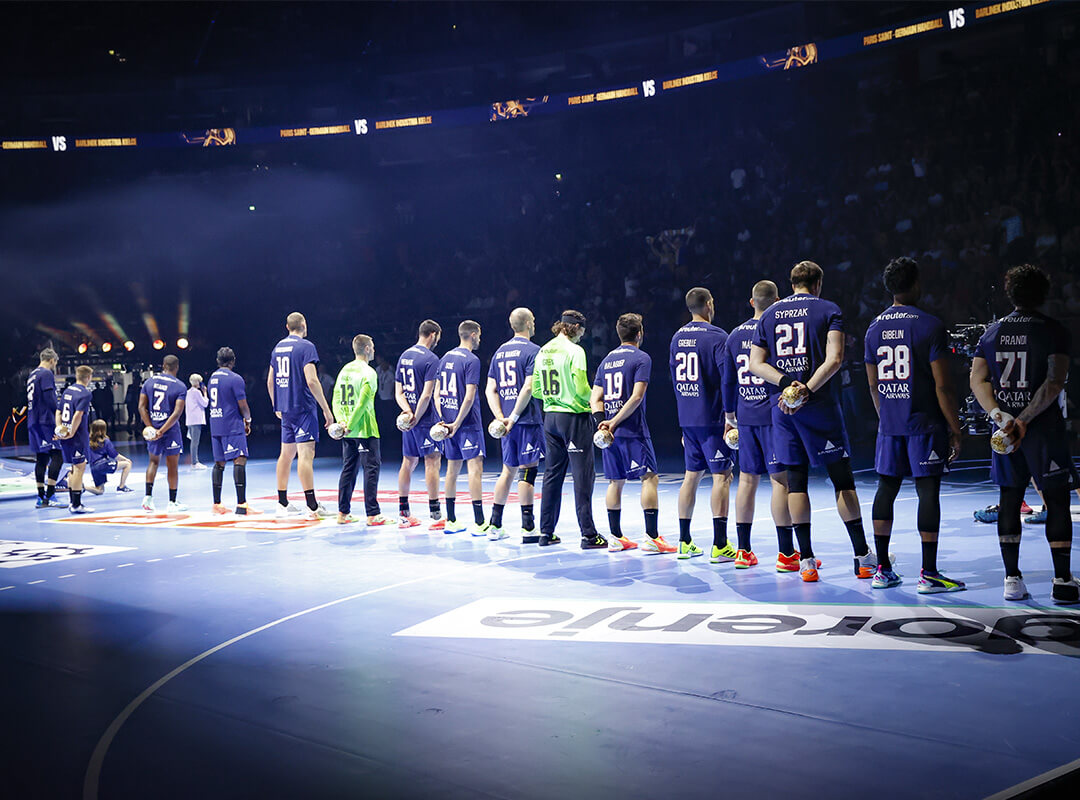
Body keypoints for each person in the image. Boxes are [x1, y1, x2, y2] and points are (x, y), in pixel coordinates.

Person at [749, 260, 876, 583]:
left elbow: (755, 364)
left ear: (791, 284)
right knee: (842, 480)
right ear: (817, 284)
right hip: (819, 405)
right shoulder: (828, 309)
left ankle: (805, 561)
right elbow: (835, 359)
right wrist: (806, 388)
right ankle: (862, 557)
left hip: (784, 408)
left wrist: (786, 385)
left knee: (796, 482)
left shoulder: (769, 315)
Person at [969, 263, 1078, 604]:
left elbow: (977, 379)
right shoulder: (1054, 330)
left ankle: (1012, 580)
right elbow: (1055, 381)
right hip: (1043, 429)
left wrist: (1000, 416)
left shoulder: (991, 333)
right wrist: (1025, 419)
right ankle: (1062, 581)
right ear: (1043, 293)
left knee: (1010, 499)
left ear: (1010, 293)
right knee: (1056, 501)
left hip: (1006, 432)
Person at [865, 257, 966, 593]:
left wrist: (886, 418)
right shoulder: (930, 325)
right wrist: (955, 428)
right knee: (928, 492)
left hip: (890, 425)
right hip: (924, 424)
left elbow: (873, 384)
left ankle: (882, 570)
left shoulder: (873, 328)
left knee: (886, 488)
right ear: (916, 283)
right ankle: (930, 574)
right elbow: (943, 386)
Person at [722, 281, 794, 570]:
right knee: (780, 481)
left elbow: (728, 381)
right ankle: (786, 554)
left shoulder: (734, 335)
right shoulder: (776, 330)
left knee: (747, 480)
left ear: (752, 302)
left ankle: (743, 551)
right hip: (773, 415)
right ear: (777, 301)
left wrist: (729, 418)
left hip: (745, 416)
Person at [592, 313, 668, 553]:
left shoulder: (606, 360)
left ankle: (615, 537)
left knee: (615, 481)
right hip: (632, 430)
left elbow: (595, 398)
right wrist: (614, 422)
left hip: (609, 435)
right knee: (649, 478)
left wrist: (602, 423)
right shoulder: (641, 358)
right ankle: (652, 538)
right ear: (640, 334)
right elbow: (637, 396)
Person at [670, 287, 733, 560]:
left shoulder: (676, 337)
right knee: (722, 476)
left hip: (688, 418)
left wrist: (683, 421)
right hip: (713, 419)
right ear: (709, 304)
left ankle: (684, 541)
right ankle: (720, 545)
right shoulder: (718, 336)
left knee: (691, 476)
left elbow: (675, 380)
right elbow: (727, 380)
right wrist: (731, 418)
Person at [534, 309, 605, 549]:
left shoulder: (543, 350)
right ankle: (588, 535)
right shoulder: (575, 351)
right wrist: (596, 400)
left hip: (550, 418)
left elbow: (536, 389)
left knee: (552, 475)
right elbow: (581, 389)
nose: (582, 336)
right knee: (583, 476)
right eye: (582, 332)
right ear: (576, 328)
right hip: (573, 418)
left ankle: (546, 532)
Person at [268, 311, 335, 520]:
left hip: (286, 408)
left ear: (287, 327)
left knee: (286, 454)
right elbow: (312, 380)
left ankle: (282, 503)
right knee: (306, 455)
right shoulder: (306, 347)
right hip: (303, 408)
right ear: (304, 325)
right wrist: (326, 409)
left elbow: (270, 381)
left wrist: (276, 404)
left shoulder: (278, 347)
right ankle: (312, 506)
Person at [485, 307, 544, 543]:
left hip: (506, 424)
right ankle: (528, 527)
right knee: (527, 471)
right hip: (525, 420)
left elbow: (490, 389)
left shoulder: (499, 352)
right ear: (528, 323)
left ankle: (495, 524)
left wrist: (501, 417)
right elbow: (528, 387)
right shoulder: (533, 350)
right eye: (533, 320)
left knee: (507, 470)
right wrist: (514, 416)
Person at [436, 321, 489, 535]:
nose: (480, 340)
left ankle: (451, 520)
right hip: (466, 424)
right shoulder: (472, 360)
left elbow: (437, 393)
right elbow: (469, 396)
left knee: (452, 470)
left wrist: (442, 419)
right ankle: (479, 522)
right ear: (473, 335)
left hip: (447, 423)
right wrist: (457, 423)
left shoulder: (445, 357)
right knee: (475, 469)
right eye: (479, 335)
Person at [333, 334, 387, 526]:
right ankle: (373, 514)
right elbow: (363, 403)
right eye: (372, 347)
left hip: (346, 430)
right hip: (364, 429)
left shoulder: (344, 370)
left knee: (348, 469)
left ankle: (343, 513)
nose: (374, 350)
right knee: (371, 469)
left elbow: (336, 398)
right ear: (367, 349)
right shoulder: (369, 372)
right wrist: (351, 424)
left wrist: (342, 422)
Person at [395, 320, 444, 530]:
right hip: (425, 419)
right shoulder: (432, 359)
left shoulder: (404, 355)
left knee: (408, 462)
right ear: (433, 335)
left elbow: (398, 392)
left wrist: (407, 413)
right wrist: (416, 415)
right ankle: (435, 515)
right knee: (432, 461)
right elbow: (426, 395)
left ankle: (403, 514)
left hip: (409, 419)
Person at [208, 347, 256, 515]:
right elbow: (242, 404)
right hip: (231, 424)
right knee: (239, 460)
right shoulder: (235, 379)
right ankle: (242, 505)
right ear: (233, 361)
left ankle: (217, 504)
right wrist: (248, 420)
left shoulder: (212, 378)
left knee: (219, 463)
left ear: (218, 361)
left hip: (215, 424)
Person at [140, 355, 187, 513]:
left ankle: (147, 498)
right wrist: (162, 431)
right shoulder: (180, 386)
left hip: (153, 428)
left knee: (153, 462)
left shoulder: (149, 382)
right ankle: (172, 502)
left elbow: (141, 407)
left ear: (163, 365)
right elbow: (177, 413)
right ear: (177, 367)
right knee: (172, 466)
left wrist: (151, 428)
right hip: (170, 430)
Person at [26, 348, 65, 508]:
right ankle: (51, 495)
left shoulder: (32, 375)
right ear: (52, 360)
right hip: (45, 422)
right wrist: (59, 414)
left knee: (41, 458)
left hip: (33, 421)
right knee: (58, 455)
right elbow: (50, 398)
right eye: (55, 362)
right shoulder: (46, 373)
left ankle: (41, 496)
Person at [55, 365, 95, 514]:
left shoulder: (67, 390)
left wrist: (59, 428)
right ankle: (76, 504)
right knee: (79, 467)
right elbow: (78, 415)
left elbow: (58, 411)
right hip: (77, 436)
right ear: (88, 377)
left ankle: (72, 502)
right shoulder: (85, 393)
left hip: (65, 434)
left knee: (73, 468)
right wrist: (71, 432)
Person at [85, 420, 132, 494]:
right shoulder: (105, 441)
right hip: (103, 465)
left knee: (100, 491)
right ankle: (121, 487)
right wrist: (126, 459)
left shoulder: (87, 441)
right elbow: (114, 455)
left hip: (93, 467)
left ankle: (82, 487)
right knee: (127, 464)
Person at [185, 374, 209, 470]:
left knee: (193, 441)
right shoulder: (197, 392)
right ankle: (194, 462)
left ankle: (194, 461)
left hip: (190, 419)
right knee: (195, 442)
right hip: (196, 420)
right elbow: (205, 403)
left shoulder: (188, 392)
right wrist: (205, 393)